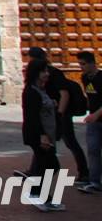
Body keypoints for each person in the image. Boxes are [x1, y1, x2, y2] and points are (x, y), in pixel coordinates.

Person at [29, 46, 91, 184]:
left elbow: (64, 94)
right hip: (50, 114)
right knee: (43, 143)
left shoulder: (53, 73)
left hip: (60, 114)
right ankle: (33, 171)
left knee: (70, 142)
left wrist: (60, 114)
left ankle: (84, 173)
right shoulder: (41, 73)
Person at [22, 59, 65, 211]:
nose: (47, 74)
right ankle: (36, 194)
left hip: (49, 134)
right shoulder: (31, 92)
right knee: (50, 165)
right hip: (39, 136)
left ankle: (42, 195)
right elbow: (32, 116)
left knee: (46, 166)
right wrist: (42, 135)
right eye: (43, 71)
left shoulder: (43, 89)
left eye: (47, 71)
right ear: (36, 73)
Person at [76, 51, 101, 194]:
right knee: (93, 150)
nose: (81, 67)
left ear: (92, 63)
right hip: (93, 121)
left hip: (97, 117)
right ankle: (94, 182)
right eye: (80, 64)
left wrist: (96, 114)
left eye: (83, 64)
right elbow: (90, 97)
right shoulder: (85, 78)